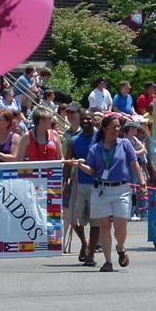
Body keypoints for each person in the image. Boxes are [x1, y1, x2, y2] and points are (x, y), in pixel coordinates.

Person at [66, 114, 144, 272]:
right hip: (101, 190)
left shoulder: (125, 144)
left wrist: (142, 182)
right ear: (105, 128)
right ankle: (108, 261)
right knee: (105, 227)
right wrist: (80, 165)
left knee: (121, 227)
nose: (117, 129)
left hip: (121, 190)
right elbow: (92, 170)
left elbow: (134, 163)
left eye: (118, 127)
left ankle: (121, 248)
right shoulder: (95, 148)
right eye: (114, 126)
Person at [66, 110, 101, 266]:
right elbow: (68, 162)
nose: (86, 121)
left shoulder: (100, 138)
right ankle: (84, 242)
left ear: (93, 120)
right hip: (79, 185)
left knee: (96, 223)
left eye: (89, 119)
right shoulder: (73, 140)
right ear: (79, 121)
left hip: (97, 186)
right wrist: (65, 181)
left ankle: (91, 255)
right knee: (75, 222)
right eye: (84, 119)